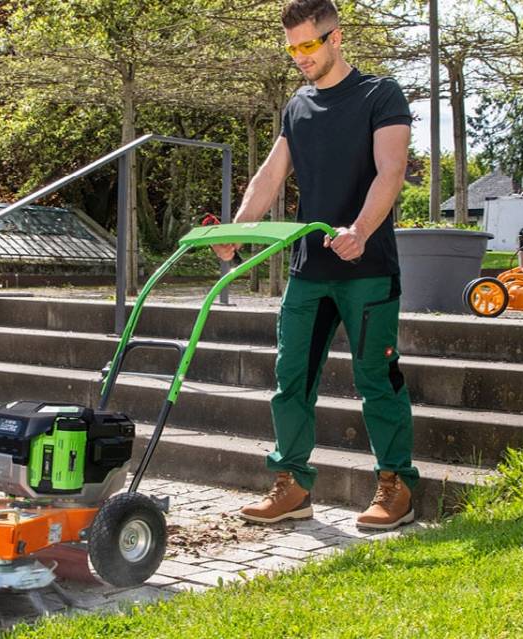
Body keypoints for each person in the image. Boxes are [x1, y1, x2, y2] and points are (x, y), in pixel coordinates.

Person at [218, 0, 418, 530]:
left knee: (377, 378)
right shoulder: (298, 106)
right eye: (292, 49)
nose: (300, 56)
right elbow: (270, 174)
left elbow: (391, 170)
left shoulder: (380, 94)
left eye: (308, 45)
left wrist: (361, 230)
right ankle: (292, 484)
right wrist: (238, 230)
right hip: (310, 270)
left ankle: (396, 485)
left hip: (367, 269)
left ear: (335, 37)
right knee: (291, 379)